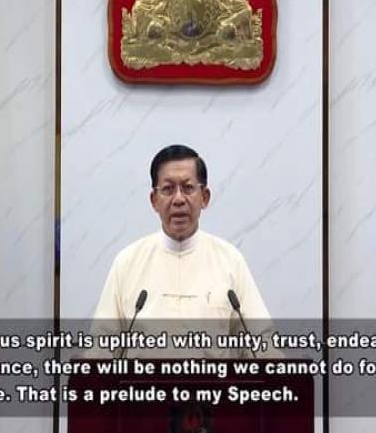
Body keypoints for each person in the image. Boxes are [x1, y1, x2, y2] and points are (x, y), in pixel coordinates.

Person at [89, 144, 274, 357]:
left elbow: (262, 344)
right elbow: (101, 347)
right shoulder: (127, 262)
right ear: (154, 200)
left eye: (188, 188)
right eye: (168, 189)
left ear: (204, 197)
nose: (178, 199)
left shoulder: (230, 260)